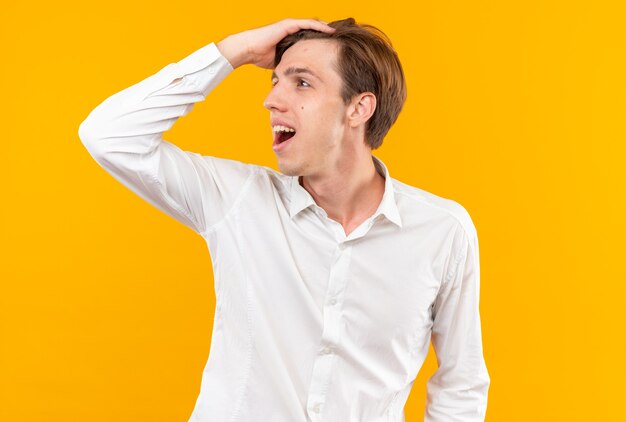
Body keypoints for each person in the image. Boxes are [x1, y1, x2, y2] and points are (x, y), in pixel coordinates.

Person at [78, 17, 490, 422]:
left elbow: (461, 385)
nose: (272, 101)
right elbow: (109, 135)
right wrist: (233, 52)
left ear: (359, 108)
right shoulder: (237, 200)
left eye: (302, 83)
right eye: (275, 81)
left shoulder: (442, 232)